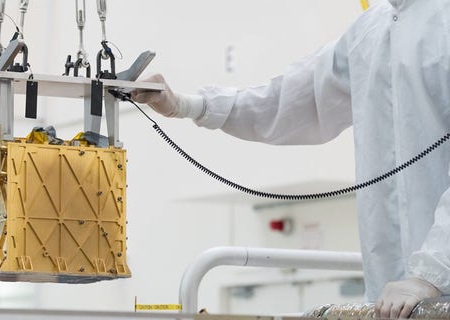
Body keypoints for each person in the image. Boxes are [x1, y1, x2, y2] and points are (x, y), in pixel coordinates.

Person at [133, 0, 450, 318]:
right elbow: (288, 100)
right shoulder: (369, 33)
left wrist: (431, 274)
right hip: (390, 299)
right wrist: (186, 105)